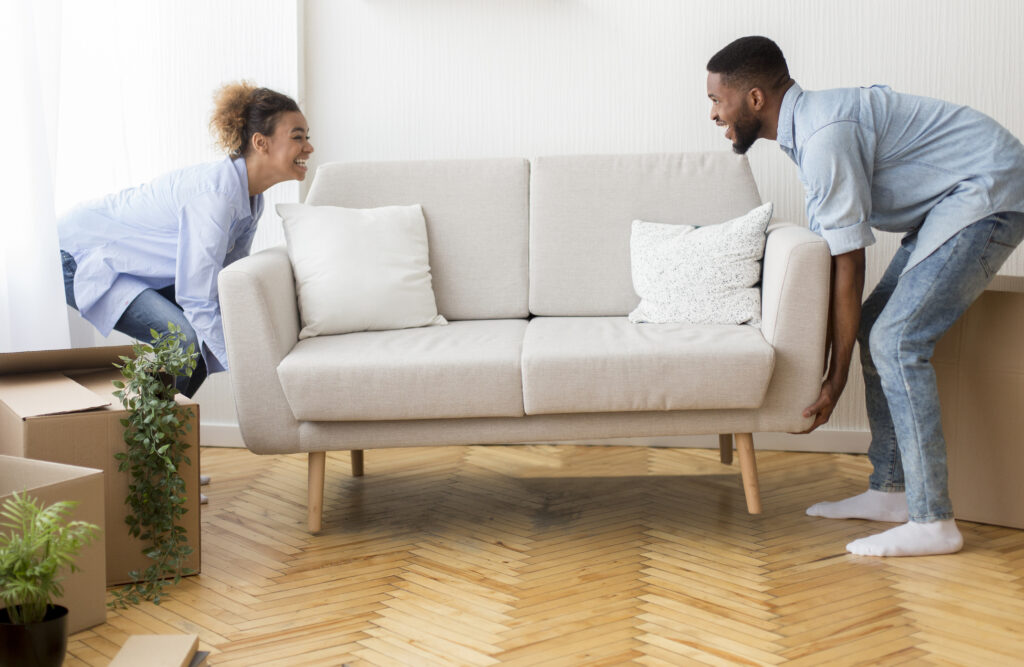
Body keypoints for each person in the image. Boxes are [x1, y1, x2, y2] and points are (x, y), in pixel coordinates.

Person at [705, 36, 1024, 557]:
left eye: (718, 100)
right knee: (880, 327)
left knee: (896, 341)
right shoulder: (808, 129)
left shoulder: (824, 136)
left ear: (756, 99)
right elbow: (838, 256)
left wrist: (835, 377)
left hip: (986, 192)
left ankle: (933, 520)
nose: (715, 114)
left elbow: (847, 263)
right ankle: (892, 491)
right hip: (956, 200)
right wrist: (834, 364)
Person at [60, 82, 314, 397]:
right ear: (261, 142)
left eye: (307, 137)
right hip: (78, 254)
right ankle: (147, 441)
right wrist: (252, 373)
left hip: (125, 263)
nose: (308, 148)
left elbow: (225, 284)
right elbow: (198, 298)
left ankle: (154, 435)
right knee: (184, 339)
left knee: (197, 343)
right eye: (298, 137)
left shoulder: (251, 199)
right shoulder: (215, 197)